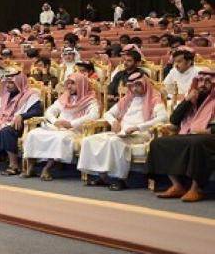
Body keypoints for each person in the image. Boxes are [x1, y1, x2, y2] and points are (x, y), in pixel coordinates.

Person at [77, 71, 168, 190]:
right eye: (132, 86)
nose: (134, 89)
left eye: (138, 85)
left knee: (114, 142)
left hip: (141, 134)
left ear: (144, 84)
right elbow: (108, 114)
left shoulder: (154, 98)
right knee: (89, 140)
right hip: (122, 132)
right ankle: (101, 176)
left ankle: (119, 179)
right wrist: (114, 122)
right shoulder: (127, 99)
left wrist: (138, 127)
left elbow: (163, 118)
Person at [148, 69, 215, 202]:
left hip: (209, 136)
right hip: (189, 134)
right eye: (200, 81)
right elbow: (174, 120)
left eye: (207, 81)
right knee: (159, 143)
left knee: (197, 143)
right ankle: (177, 185)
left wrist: (208, 131)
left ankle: (196, 189)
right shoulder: (192, 98)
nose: (202, 84)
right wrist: (187, 101)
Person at [22, 73, 100, 180]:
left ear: (81, 85)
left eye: (73, 84)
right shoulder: (65, 97)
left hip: (74, 130)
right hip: (58, 127)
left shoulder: (90, 100)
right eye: (68, 83)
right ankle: (30, 167)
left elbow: (94, 115)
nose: (69, 86)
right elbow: (50, 111)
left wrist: (71, 124)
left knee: (59, 138)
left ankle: (47, 169)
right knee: (33, 134)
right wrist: (55, 121)